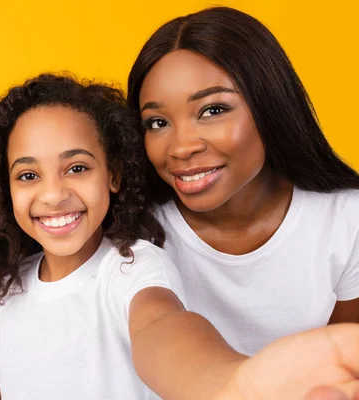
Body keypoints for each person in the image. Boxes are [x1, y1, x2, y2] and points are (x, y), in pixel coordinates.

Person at [0, 73, 359, 400]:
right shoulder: (7, 287)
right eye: (28, 175)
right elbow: (10, 384)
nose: (53, 194)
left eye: (77, 168)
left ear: (114, 174)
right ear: (7, 189)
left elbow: (160, 326)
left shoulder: (131, 266)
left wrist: (228, 382)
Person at [126, 6, 359, 357]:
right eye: (157, 122)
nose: (182, 147)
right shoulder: (133, 231)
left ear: (270, 105)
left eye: (213, 110)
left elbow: (344, 367)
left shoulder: (345, 219)